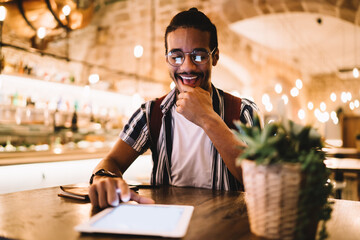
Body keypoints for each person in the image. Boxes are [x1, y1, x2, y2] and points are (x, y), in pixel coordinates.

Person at [89, 7, 259, 208]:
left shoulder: (242, 111)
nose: (187, 66)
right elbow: (111, 162)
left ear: (215, 57)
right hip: (166, 227)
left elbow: (258, 180)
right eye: (176, 56)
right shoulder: (150, 113)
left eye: (199, 56)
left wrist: (206, 117)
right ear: (167, 59)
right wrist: (104, 177)